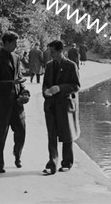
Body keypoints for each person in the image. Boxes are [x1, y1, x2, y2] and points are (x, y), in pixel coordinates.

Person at [0, 31, 28, 173]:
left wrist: (25, 93)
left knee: (21, 131)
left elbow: (20, 79)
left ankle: (17, 154)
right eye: (14, 43)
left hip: (17, 103)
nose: (16, 46)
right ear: (6, 43)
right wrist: (12, 82)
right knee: (1, 134)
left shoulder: (17, 58)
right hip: (1, 103)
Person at [42, 40, 80, 175]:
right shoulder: (49, 66)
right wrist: (46, 91)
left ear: (60, 51)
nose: (50, 55)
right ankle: (51, 164)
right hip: (51, 105)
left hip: (65, 105)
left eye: (52, 52)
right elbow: (45, 84)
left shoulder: (71, 65)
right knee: (51, 135)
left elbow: (76, 86)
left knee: (66, 135)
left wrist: (59, 88)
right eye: (49, 52)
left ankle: (67, 163)